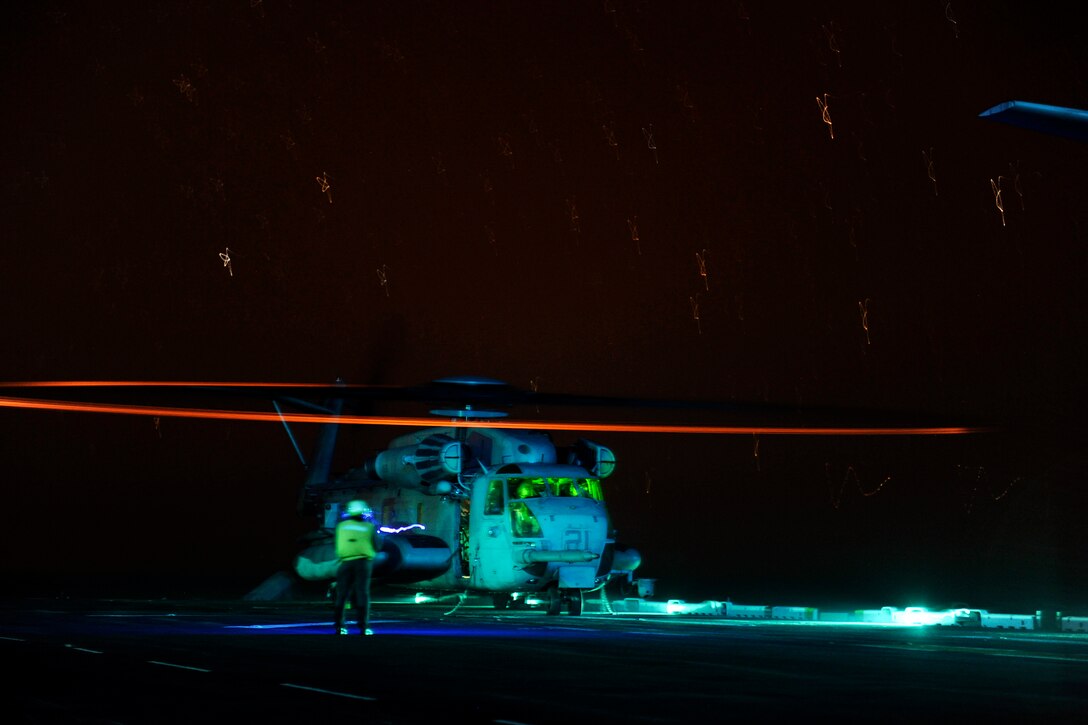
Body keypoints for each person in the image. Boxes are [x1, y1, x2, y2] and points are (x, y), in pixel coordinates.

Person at [333, 499, 381, 635]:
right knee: (362, 594)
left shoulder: (341, 526)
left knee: (342, 595)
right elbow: (378, 545)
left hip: (345, 563)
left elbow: (336, 543)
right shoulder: (369, 527)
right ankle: (364, 627)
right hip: (363, 563)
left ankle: (340, 626)